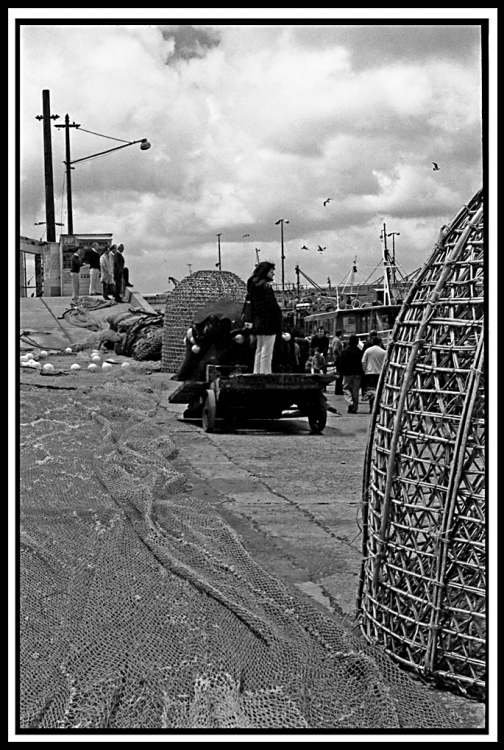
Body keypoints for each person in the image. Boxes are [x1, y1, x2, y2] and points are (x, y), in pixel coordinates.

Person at [242, 261, 282, 374]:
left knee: (259, 349)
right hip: (269, 323)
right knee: (267, 350)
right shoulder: (266, 287)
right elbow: (272, 306)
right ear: (265, 272)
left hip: (257, 322)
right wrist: (278, 319)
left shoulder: (253, 286)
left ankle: (257, 372)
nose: (273, 274)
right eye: (271, 271)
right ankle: (265, 374)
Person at [339, 334, 364, 414]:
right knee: (355, 391)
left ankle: (350, 402)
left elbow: (341, 363)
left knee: (346, 388)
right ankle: (354, 409)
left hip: (347, 373)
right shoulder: (360, 352)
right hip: (357, 373)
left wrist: (341, 372)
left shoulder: (345, 351)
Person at [361, 336, 386, 412]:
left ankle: (372, 407)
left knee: (371, 391)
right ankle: (378, 407)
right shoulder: (383, 352)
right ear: (380, 342)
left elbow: (363, 361)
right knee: (379, 391)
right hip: (379, 374)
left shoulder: (368, 351)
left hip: (369, 373)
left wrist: (365, 370)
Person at [331, 329, 344, 394]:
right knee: (340, 374)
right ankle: (339, 390)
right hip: (338, 359)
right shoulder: (337, 341)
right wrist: (340, 355)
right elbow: (335, 349)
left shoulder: (334, 339)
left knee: (339, 374)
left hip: (336, 358)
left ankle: (338, 389)